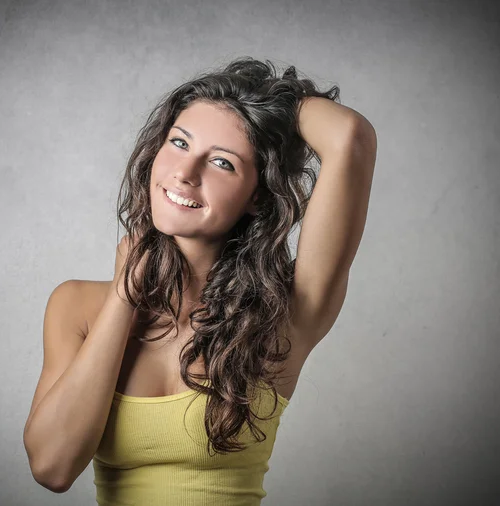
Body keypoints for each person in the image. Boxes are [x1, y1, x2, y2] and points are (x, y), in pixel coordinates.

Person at [23, 56, 377, 504]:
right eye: (179, 142)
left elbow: (350, 136)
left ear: (257, 196)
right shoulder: (76, 307)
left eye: (222, 163)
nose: (185, 174)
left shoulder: (283, 317)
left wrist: (260, 101)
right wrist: (123, 296)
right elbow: (52, 467)